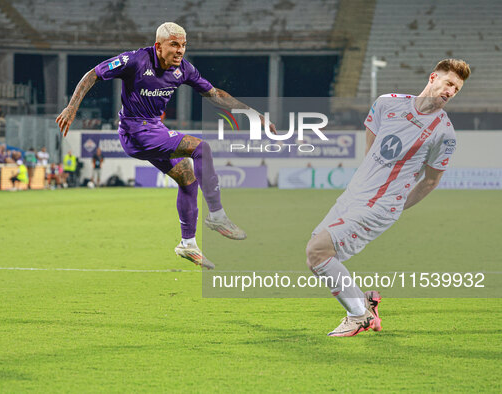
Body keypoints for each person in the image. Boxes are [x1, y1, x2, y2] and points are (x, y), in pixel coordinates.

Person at [56, 22, 276, 269]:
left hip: (154, 129)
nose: (180, 50)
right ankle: (217, 215)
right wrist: (72, 106)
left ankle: (188, 243)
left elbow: (214, 94)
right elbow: (93, 73)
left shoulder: (184, 69)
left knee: (187, 178)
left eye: (183, 45)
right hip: (135, 130)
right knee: (201, 148)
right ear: (158, 46)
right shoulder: (135, 60)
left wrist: (251, 113)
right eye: (174, 44)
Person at [305, 59, 471, 337]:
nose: (451, 91)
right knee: (317, 256)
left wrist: (395, 206)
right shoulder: (387, 103)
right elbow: (371, 144)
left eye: (457, 88)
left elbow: (430, 181)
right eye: (449, 83)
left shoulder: (445, 134)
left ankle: (358, 316)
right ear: (433, 77)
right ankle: (366, 303)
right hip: (355, 194)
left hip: (382, 205)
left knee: (318, 252)